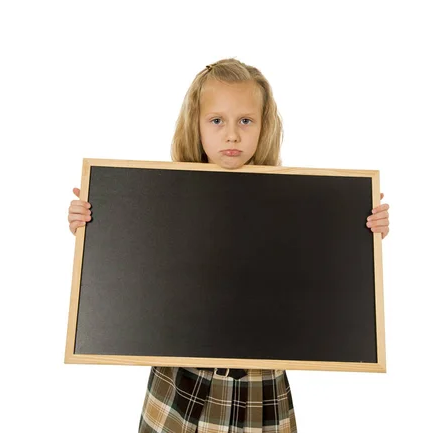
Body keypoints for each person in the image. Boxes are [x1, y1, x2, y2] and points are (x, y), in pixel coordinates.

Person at [67, 58, 390, 433]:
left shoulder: (296, 202)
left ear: (263, 127)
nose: (232, 135)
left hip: (260, 382)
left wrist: (362, 230)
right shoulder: (157, 198)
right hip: (180, 380)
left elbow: (326, 270)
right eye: (217, 120)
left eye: (245, 121)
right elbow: (128, 262)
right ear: (197, 125)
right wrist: (92, 223)